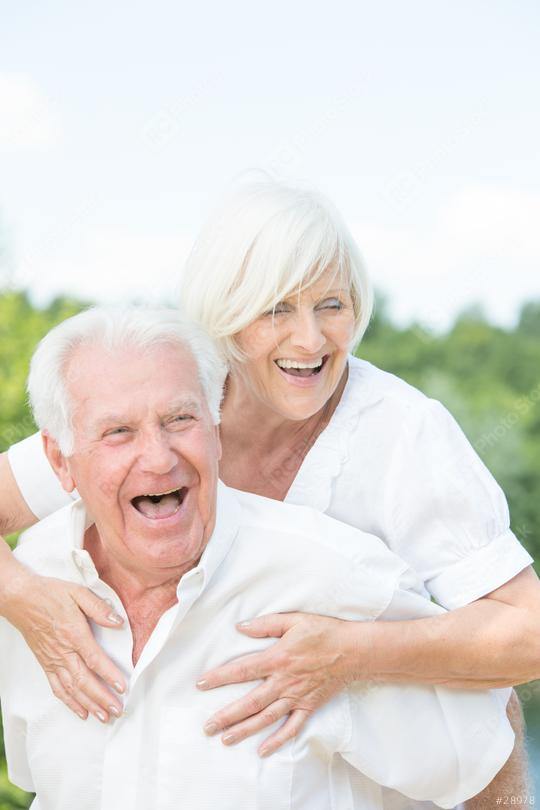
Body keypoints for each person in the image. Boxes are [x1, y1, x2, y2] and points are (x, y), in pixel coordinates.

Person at [0, 181, 538, 799]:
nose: (310, 340)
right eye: (276, 308)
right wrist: (22, 599)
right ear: (223, 314)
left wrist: (349, 652)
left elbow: (526, 639)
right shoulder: (170, 395)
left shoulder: (400, 431)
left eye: (332, 305)